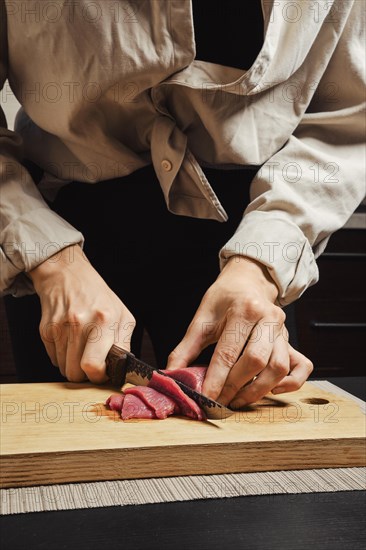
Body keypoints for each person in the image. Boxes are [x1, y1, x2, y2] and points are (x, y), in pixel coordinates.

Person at [1, 1, 364, 408]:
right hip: (59, 223)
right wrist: (47, 256)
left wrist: (261, 267)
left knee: (240, 447)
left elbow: (347, 113)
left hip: (247, 228)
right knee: (60, 446)